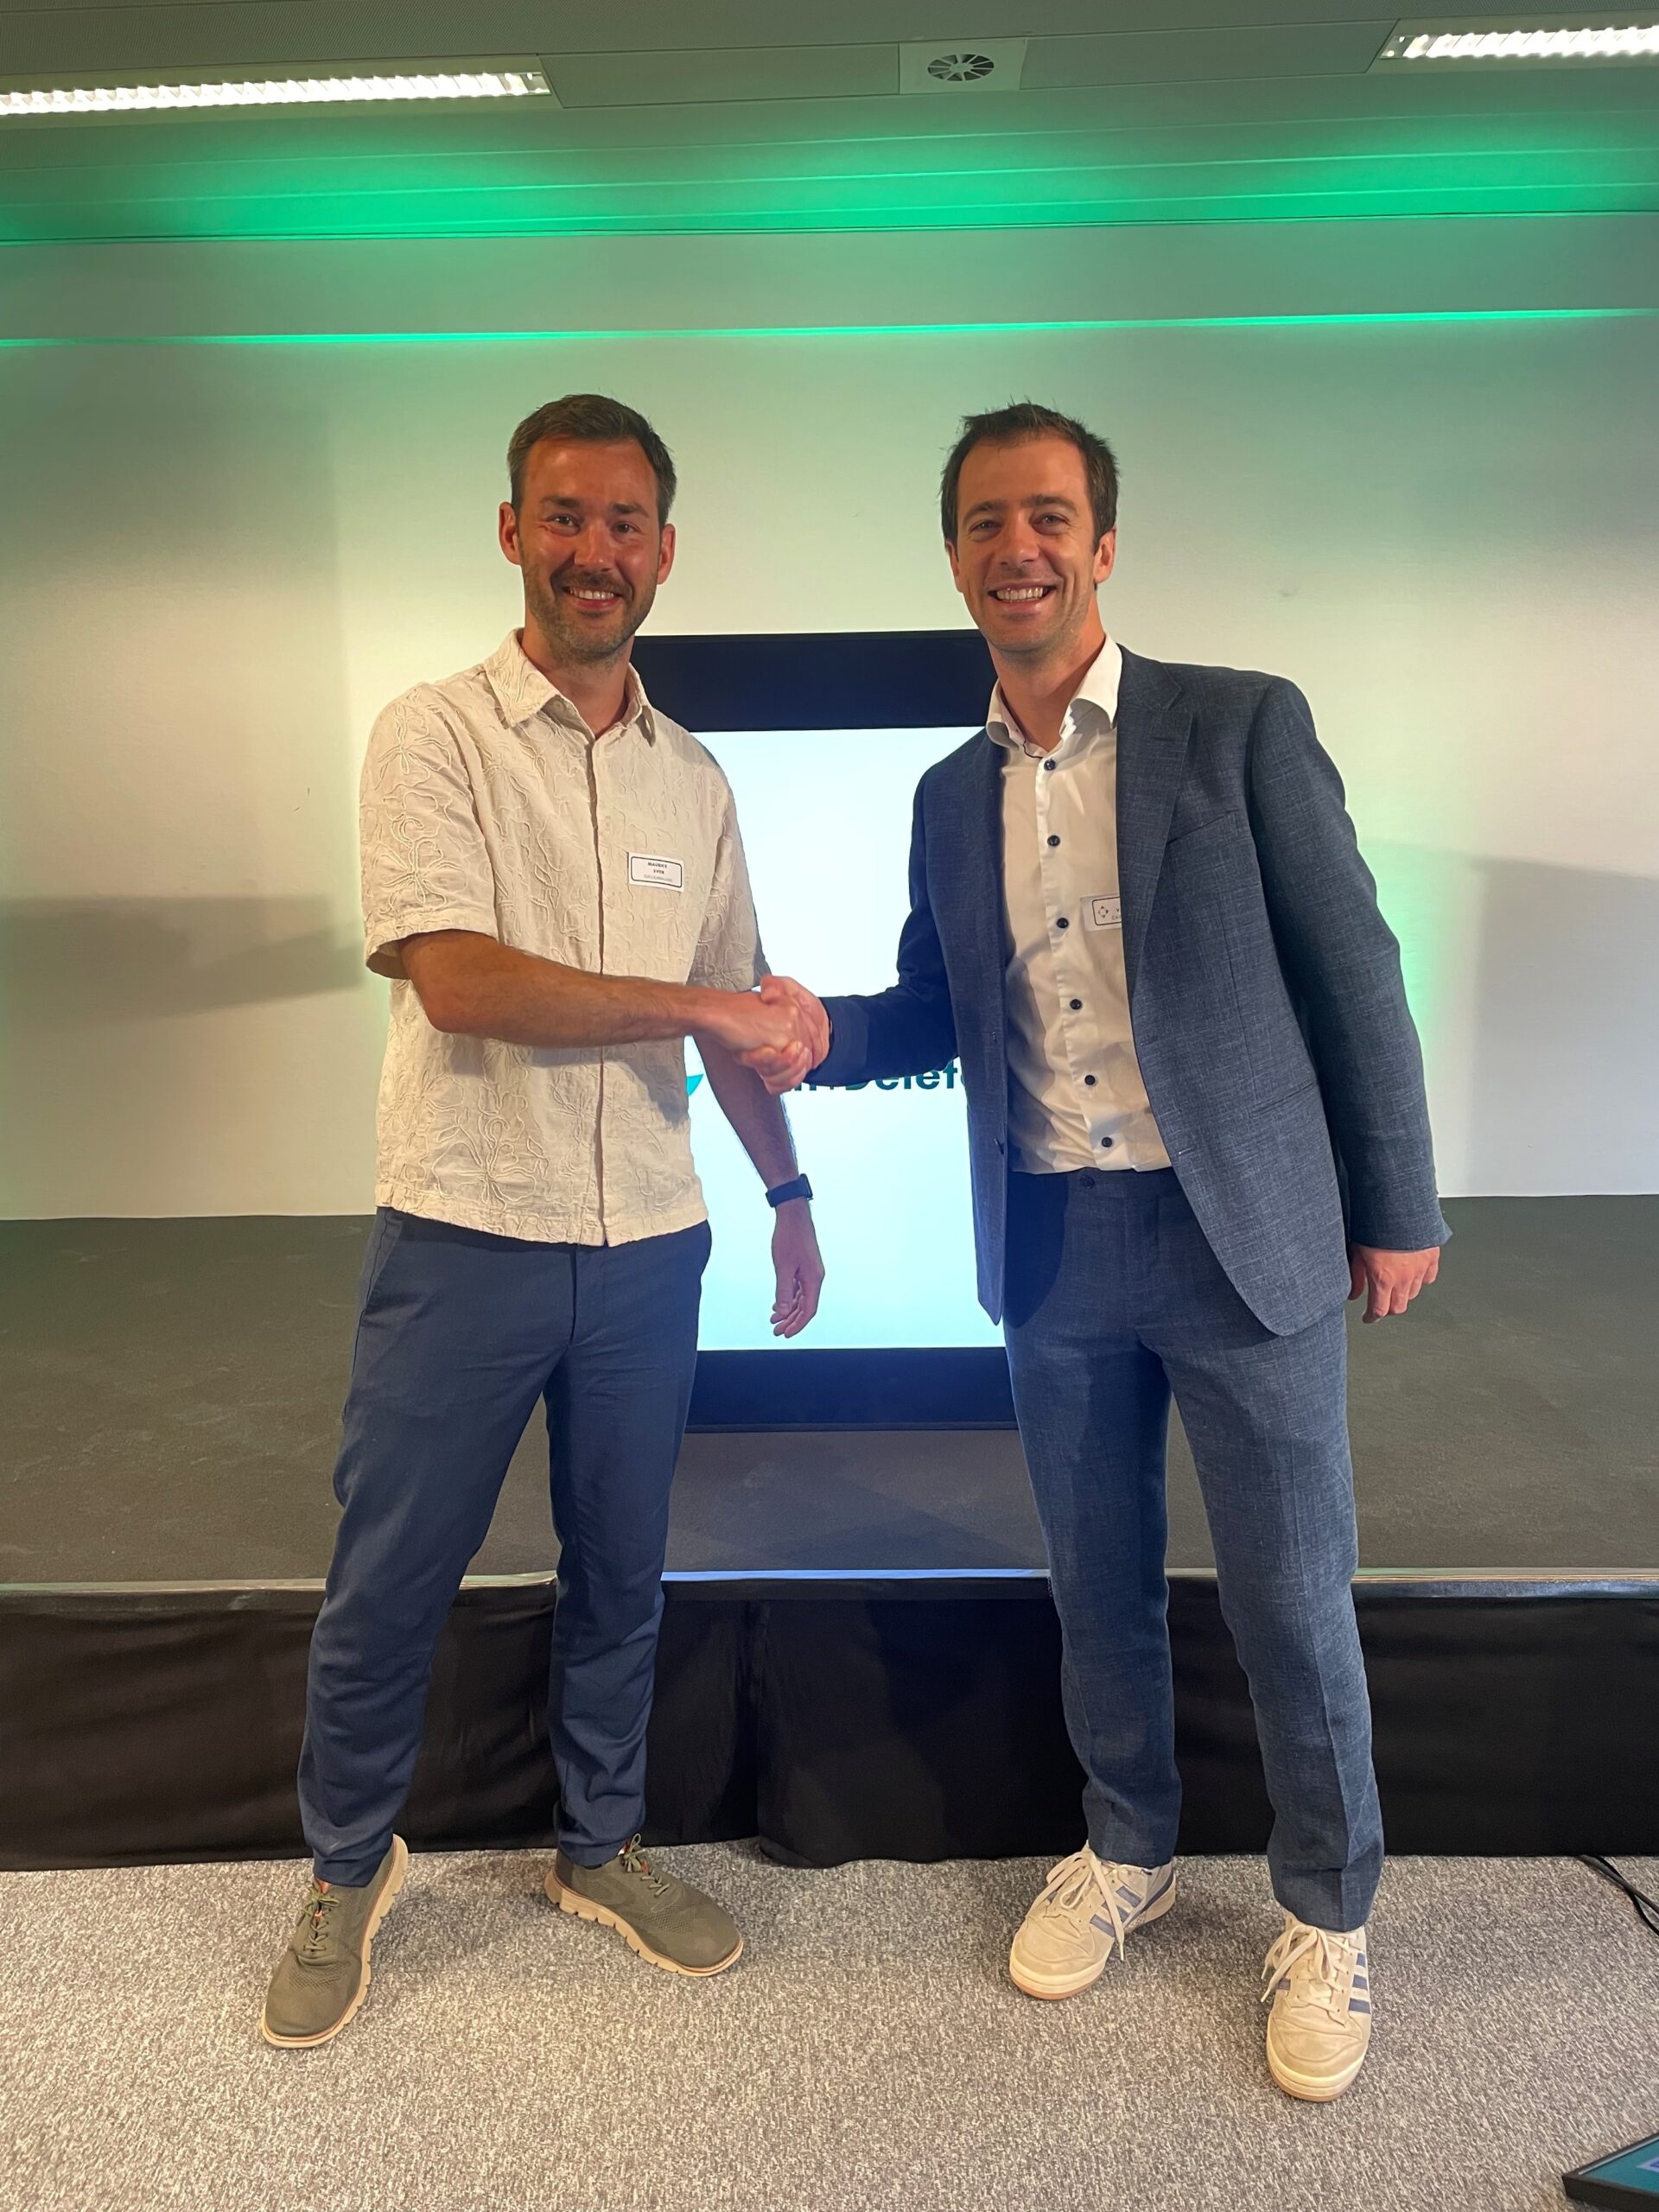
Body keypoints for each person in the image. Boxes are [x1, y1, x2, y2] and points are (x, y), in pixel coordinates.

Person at [763, 402, 1446, 2102]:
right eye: (986, 521)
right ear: (955, 558)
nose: (1019, 547)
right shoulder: (948, 792)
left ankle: (1327, 1910)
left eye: (1049, 516)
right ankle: (1128, 1841)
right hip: (1056, 1240)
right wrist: (822, 1031)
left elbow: (1355, 967)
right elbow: (936, 1006)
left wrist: (1398, 1201)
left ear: (1104, 544)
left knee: (1292, 1591)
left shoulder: (1239, 725)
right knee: (1098, 1581)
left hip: (1245, 1236)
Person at [261, 393, 823, 2048]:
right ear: (513, 532)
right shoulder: (432, 735)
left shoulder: (694, 779)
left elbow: (731, 1000)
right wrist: (708, 1011)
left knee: (622, 1568)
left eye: (624, 523)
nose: (596, 551)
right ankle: (347, 1868)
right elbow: (460, 980)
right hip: (465, 1228)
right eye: (565, 517)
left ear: (664, 551)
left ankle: (601, 1844)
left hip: (649, 1240)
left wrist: (787, 1190)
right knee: (391, 1576)